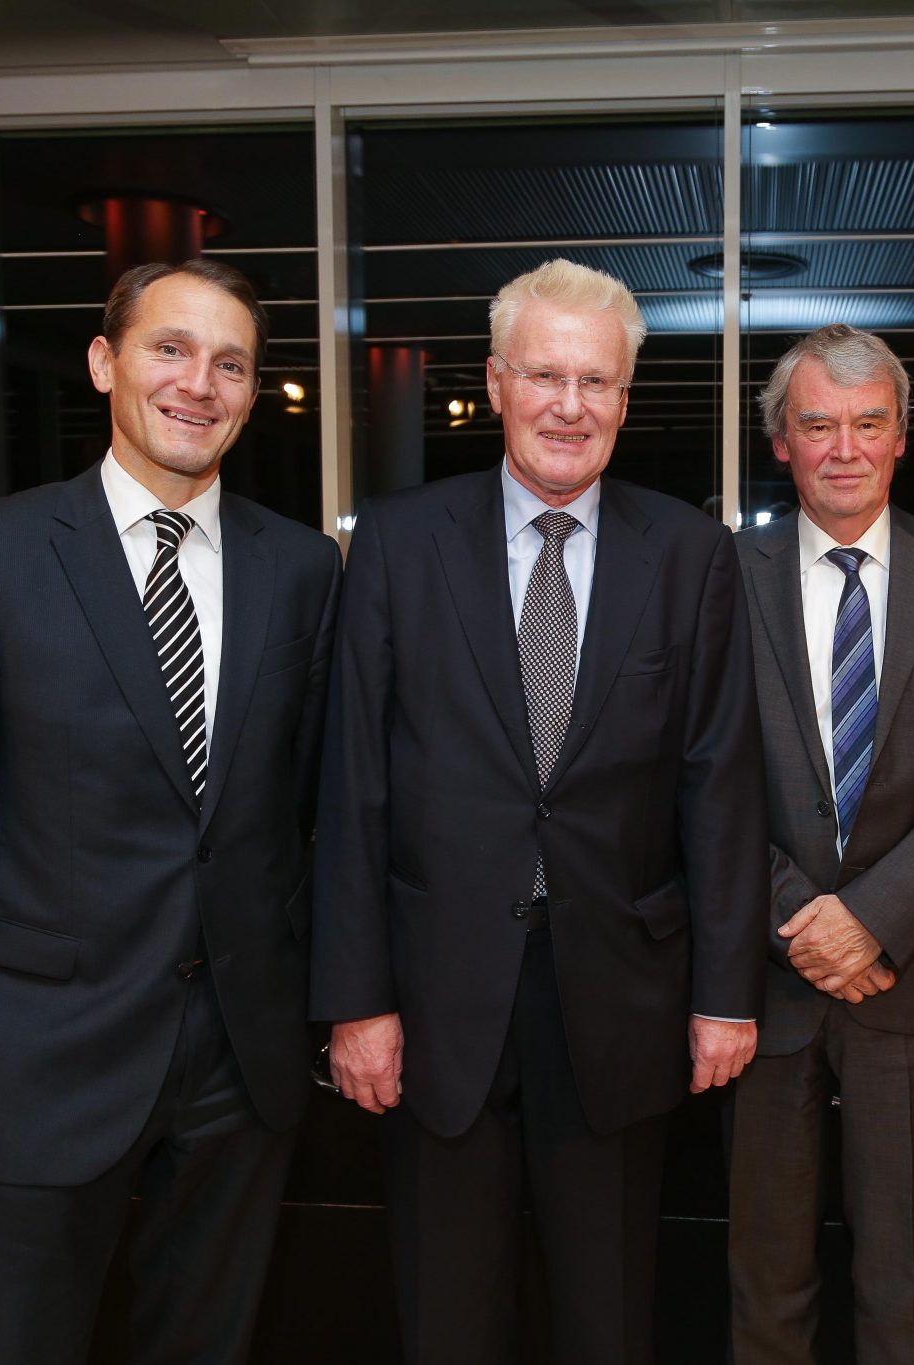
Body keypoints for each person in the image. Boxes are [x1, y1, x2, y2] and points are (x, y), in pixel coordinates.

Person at [0, 258, 340, 1365]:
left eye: (230, 364)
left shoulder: (301, 570)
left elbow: (303, 813)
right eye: (170, 349)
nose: (198, 385)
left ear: (253, 394)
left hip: (236, 1068)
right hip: (34, 1064)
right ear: (104, 363)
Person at [312, 258, 767, 1364]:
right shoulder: (397, 543)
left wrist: (723, 993)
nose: (571, 405)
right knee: (449, 1313)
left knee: (606, 1309)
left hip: (621, 994)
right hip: (433, 995)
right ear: (496, 382)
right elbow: (351, 787)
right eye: (546, 376)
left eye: (597, 382)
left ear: (624, 399)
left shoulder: (692, 555)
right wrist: (355, 1001)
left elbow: (718, 782)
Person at [727, 325, 914, 1365]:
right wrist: (793, 921)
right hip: (761, 978)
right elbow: (699, 778)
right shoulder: (721, 575)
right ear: (780, 441)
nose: (842, 448)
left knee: (903, 1275)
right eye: (817, 424)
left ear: (902, 437)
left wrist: (871, 919)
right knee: (763, 1270)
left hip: (913, 964)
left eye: (867, 424)